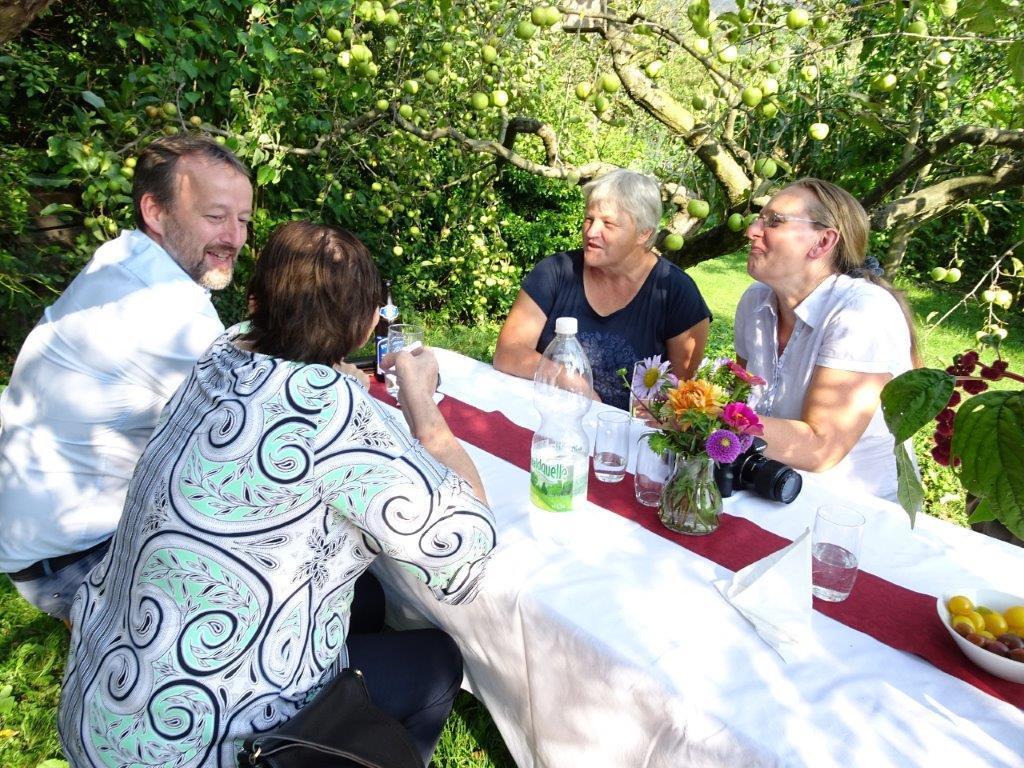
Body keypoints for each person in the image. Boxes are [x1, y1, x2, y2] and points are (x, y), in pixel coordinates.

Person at [58, 221, 497, 767]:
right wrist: (421, 402)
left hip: (102, 709)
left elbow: (284, 363)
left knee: (368, 599)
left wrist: (331, 366)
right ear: (368, 327)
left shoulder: (224, 352)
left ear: (255, 300)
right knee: (437, 659)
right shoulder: (329, 413)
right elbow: (468, 547)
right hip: (198, 746)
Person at [0, 135, 254, 622]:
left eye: (243, 220)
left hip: (38, 544)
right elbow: (251, 433)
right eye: (215, 216)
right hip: (78, 562)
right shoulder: (167, 306)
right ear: (155, 212)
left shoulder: (123, 260)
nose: (234, 238)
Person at [733, 178, 919, 500]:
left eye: (774, 221)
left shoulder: (863, 312)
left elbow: (820, 448)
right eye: (758, 218)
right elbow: (738, 395)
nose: (752, 230)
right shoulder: (756, 300)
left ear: (822, 242)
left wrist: (703, 416)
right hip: (769, 485)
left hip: (854, 508)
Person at [493, 169, 711, 409]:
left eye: (608, 223)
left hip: (628, 430)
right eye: (589, 219)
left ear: (644, 233)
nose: (591, 232)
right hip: (549, 415)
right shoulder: (555, 272)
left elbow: (681, 397)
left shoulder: (676, 293)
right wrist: (569, 379)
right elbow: (508, 352)